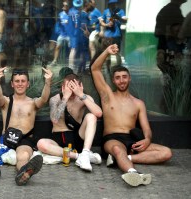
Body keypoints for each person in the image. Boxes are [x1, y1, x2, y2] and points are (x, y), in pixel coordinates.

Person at [91, 44, 172, 187]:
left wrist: (147, 139)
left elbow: (146, 128)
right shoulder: (107, 96)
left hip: (131, 140)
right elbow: (95, 69)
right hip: (112, 139)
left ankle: (123, 159)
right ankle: (133, 173)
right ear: (114, 81)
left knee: (166, 153)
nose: (121, 80)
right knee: (117, 149)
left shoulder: (138, 103)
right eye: (117, 78)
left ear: (129, 78)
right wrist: (107, 52)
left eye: (124, 77)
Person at [0, 67, 53, 186]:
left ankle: (23, 173)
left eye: (23, 81)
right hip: (6, 139)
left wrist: (48, 82)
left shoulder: (33, 103)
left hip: (24, 140)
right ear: (12, 84)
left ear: (28, 84)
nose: (20, 84)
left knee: (23, 155)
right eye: (17, 81)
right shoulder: (6, 101)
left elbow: (44, 98)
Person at [37, 67, 102, 172]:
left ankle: (85, 152)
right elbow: (54, 120)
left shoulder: (84, 98)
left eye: (73, 87)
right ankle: (78, 156)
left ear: (79, 86)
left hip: (77, 137)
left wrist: (80, 94)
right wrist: (65, 98)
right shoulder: (55, 99)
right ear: (63, 87)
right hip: (58, 140)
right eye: (68, 87)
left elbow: (98, 113)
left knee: (91, 116)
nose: (71, 91)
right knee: (41, 144)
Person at [98, 0, 127, 73]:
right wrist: (106, 25)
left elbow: (125, 20)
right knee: (107, 53)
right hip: (107, 36)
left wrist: (118, 17)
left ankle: (119, 69)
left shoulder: (120, 11)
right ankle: (108, 70)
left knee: (117, 53)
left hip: (116, 35)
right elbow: (101, 21)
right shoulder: (106, 11)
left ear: (116, 4)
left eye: (114, 4)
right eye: (111, 4)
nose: (112, 5)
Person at [48, 1, 71, 67]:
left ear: (68, 7)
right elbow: (60, 24)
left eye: (65, 6)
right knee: (57, 47)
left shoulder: (71, 15)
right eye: (63, 6)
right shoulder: (60, 14)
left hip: (69, 35)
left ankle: (70, 62)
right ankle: (54, 61)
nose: (63, 7)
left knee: (71, 49)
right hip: (62, 35)